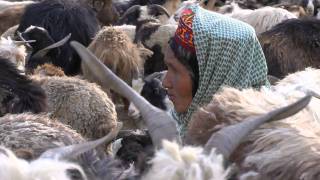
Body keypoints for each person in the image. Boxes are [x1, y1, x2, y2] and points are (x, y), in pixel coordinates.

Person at [162, 4, 269, 135]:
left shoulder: (255, 144)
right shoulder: (181, 122)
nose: (165, 83)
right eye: (168, 68)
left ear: (214, 76)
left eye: (175, 70)